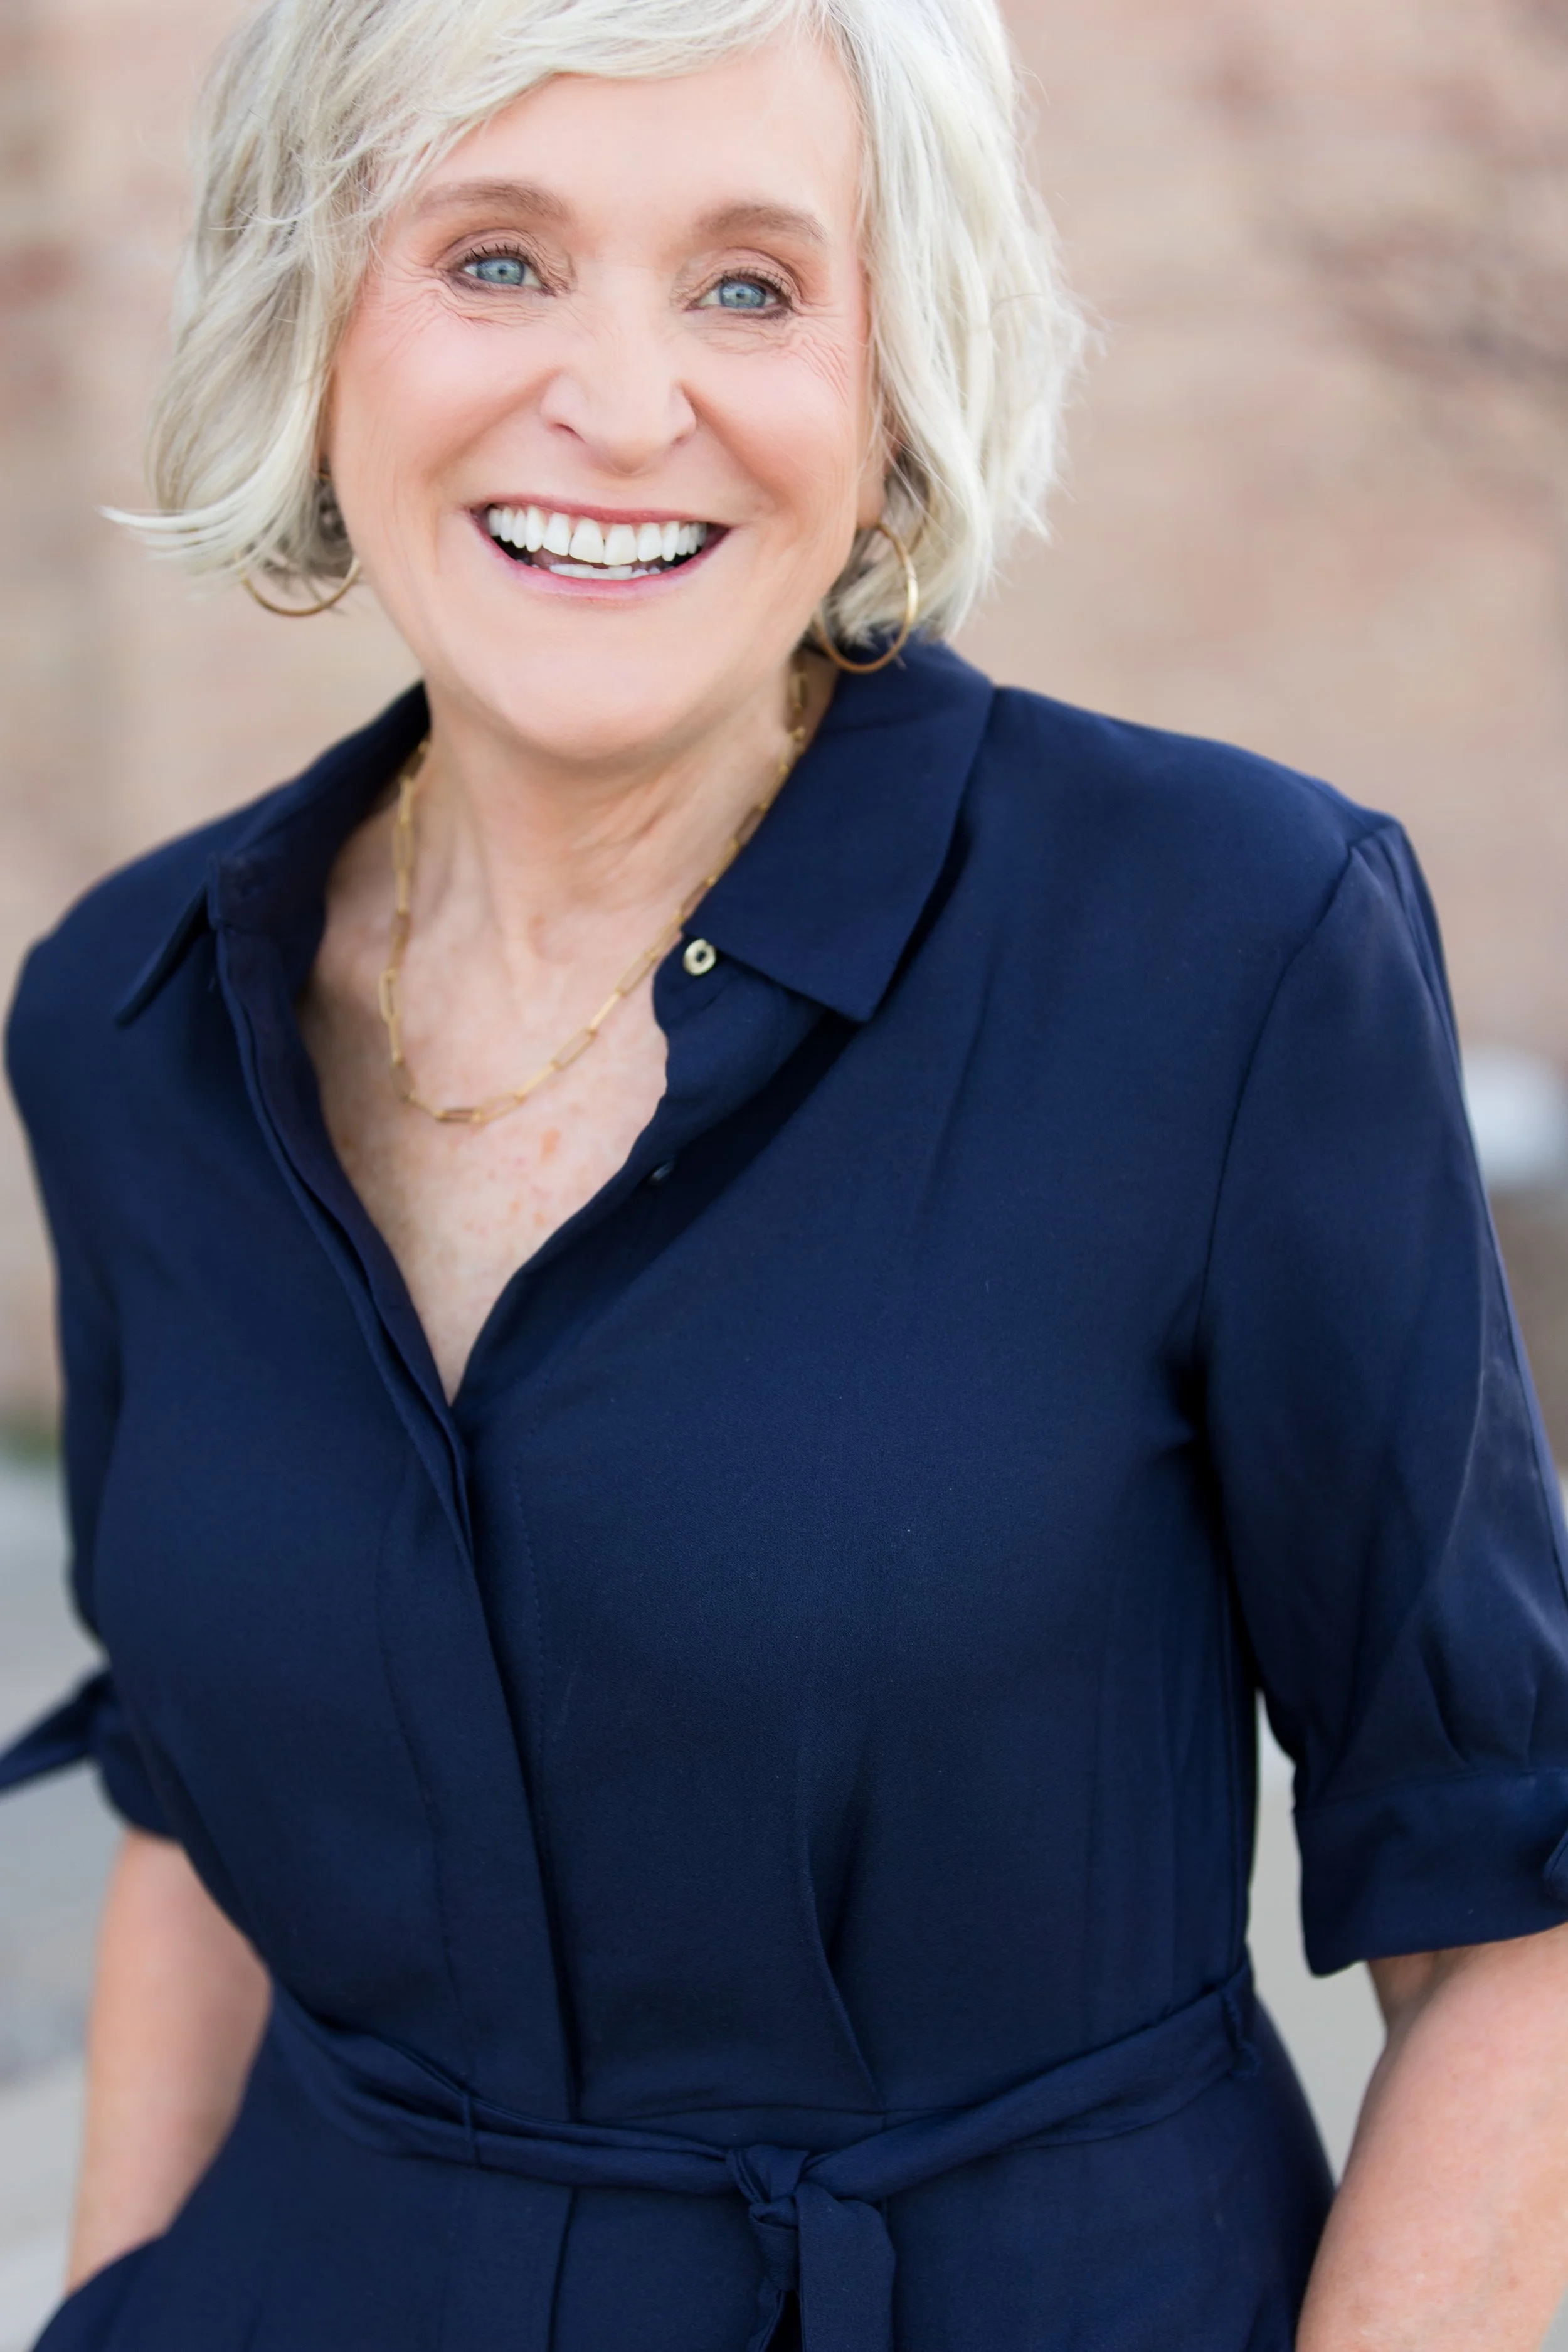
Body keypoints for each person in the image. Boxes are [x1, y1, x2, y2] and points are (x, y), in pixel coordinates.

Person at [4, 0, 1568, 2344]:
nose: (625, 404)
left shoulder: (1225, 944)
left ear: (890, 382)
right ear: (309, 316)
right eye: (495, 260)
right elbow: (199, 1807)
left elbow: (1509, 1903)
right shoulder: (131, 1009)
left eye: (751, 284)